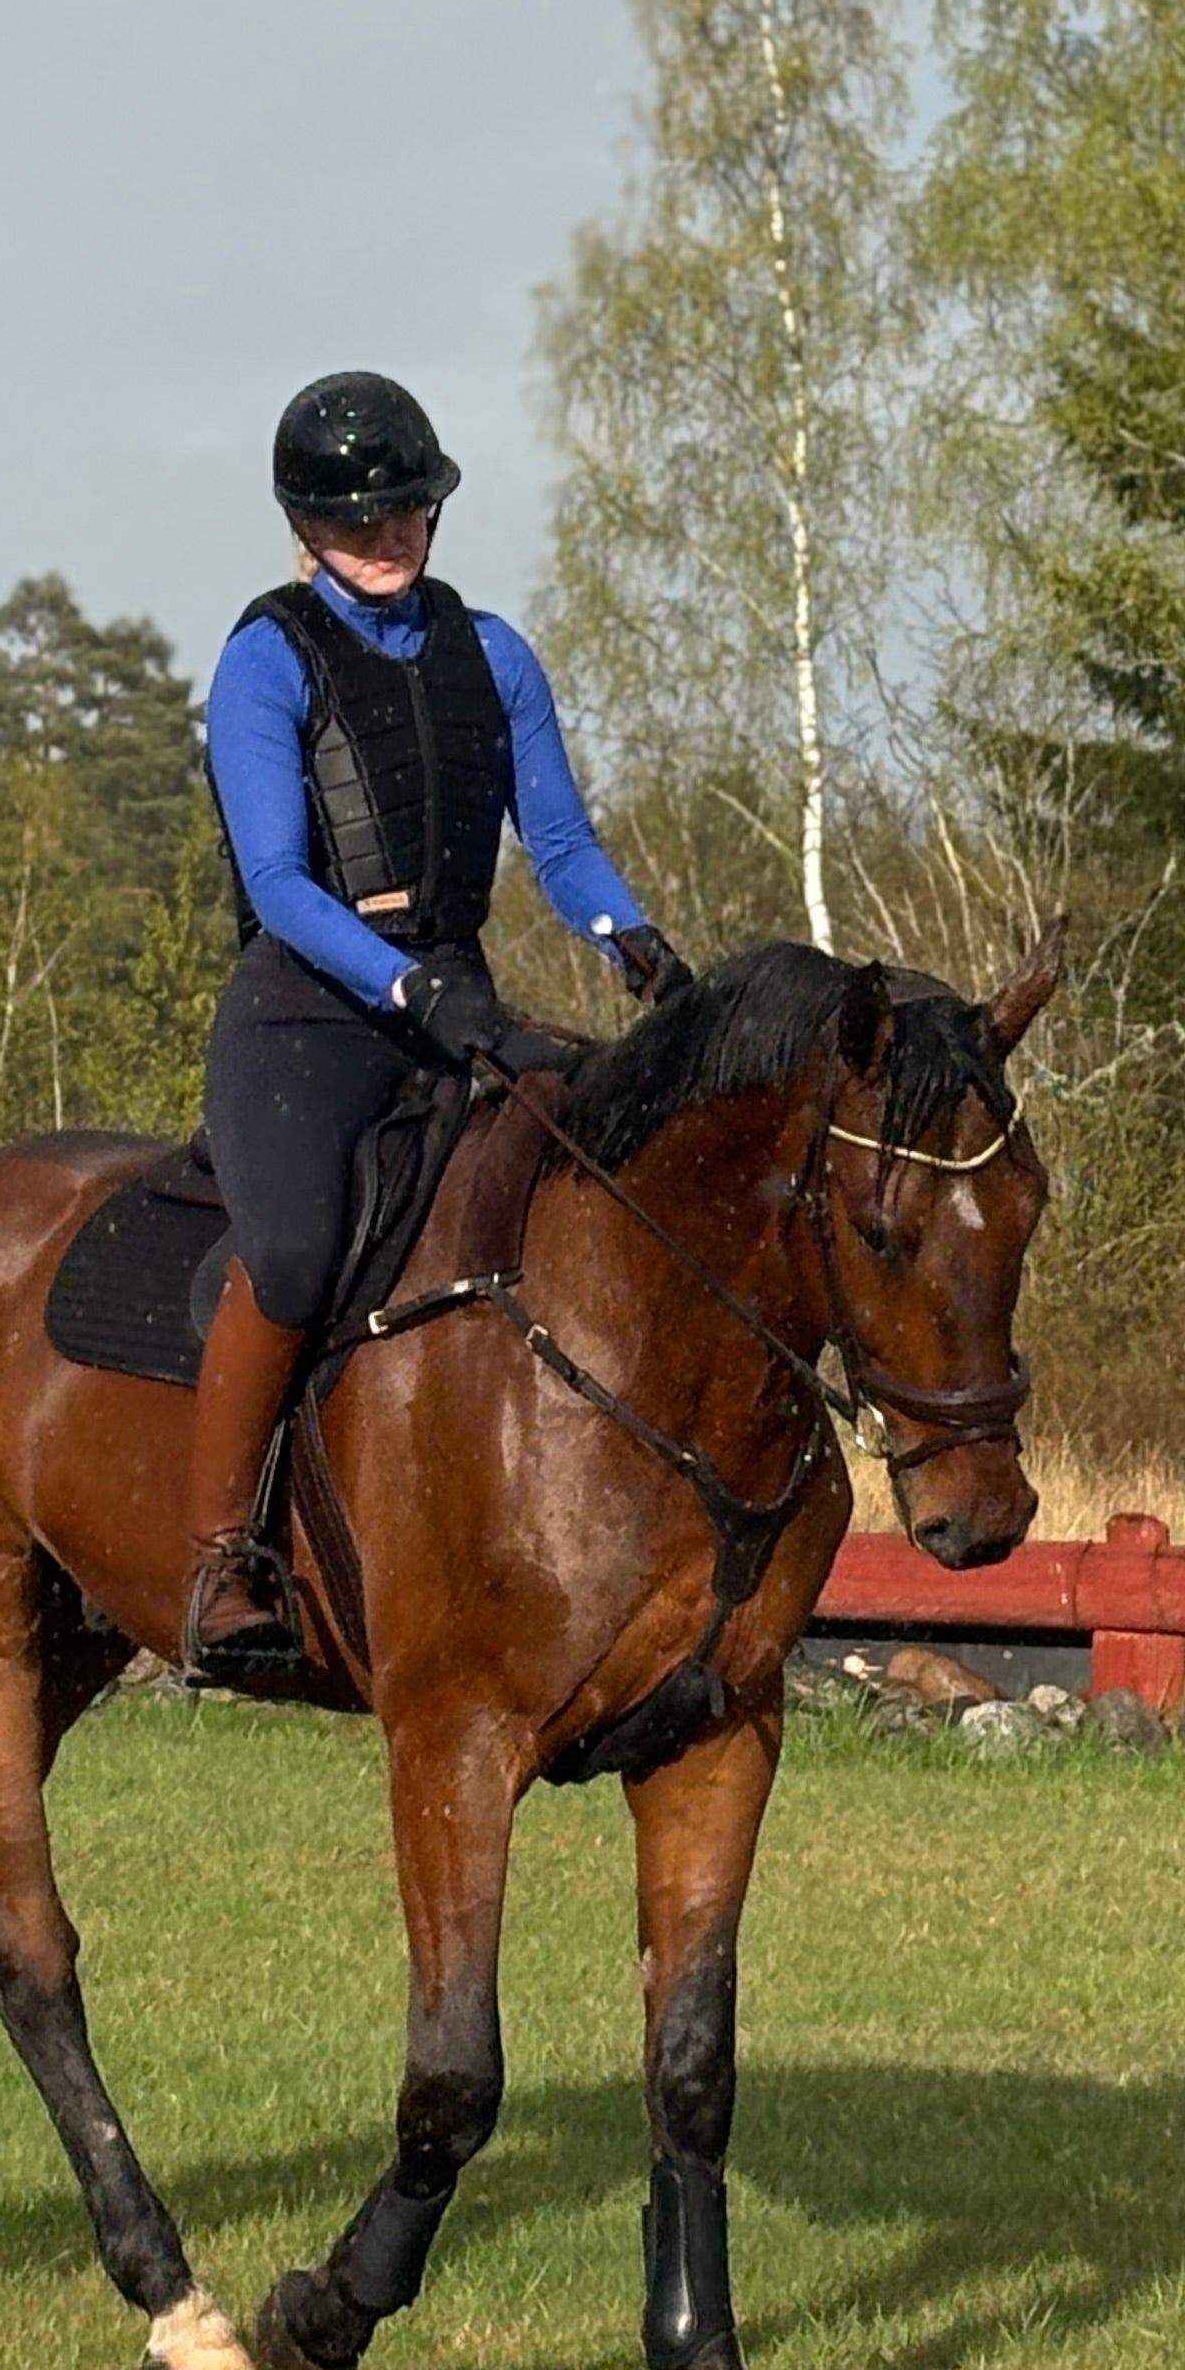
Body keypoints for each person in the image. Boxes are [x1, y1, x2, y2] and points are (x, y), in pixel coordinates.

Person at [184, 370, 686, 1680]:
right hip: (308, 1014)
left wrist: (630, 942)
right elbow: (283, 885)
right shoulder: (263, 658)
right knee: (292, 1257)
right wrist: (405, 985)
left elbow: (561, 839)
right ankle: (221, 1554)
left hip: (454, 1007)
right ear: (306, 527)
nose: (389, 535)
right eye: (361, 521)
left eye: (408, 511)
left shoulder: (494, 654)